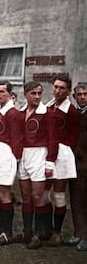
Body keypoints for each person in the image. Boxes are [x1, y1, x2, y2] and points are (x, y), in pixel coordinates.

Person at [15, 81, 58, 250]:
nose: (37, 97)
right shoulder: (20, 113)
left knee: (38, 197)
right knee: (25, 197)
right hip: (24, 156)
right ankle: (27, 231)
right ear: (26, 94)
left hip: (39, 155)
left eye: (40, 93)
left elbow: (53, 140)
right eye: (33, 93)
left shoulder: (47, 113)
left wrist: (49, 163)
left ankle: (39, 234)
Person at [0, 81, 23, 246]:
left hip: (6, 155)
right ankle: (2, 228)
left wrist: (14, 160)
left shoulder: (13, 113)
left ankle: (7, 232)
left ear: (10, 93)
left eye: (2, 92)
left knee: (5, 193)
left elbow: (17, 138)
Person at [45, 74, 80, 246]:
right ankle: (46, 228)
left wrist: (62, 152)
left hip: (62, 154)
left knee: (58, 195)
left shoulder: (71, 111)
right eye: (55, 87)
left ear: (68, 91)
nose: (57, 91)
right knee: (44, 193)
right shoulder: (49, 106)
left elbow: (74, 138)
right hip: (46, 153)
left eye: (62, 88)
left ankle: (57, 233)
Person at [70, 82, 87, 251]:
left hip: (85, 162)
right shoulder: (74, 113)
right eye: (79, 94)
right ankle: (79, 233)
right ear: (74, 97)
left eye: (86, 94)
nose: (82, 97)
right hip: (74, 163)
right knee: (76, 199)